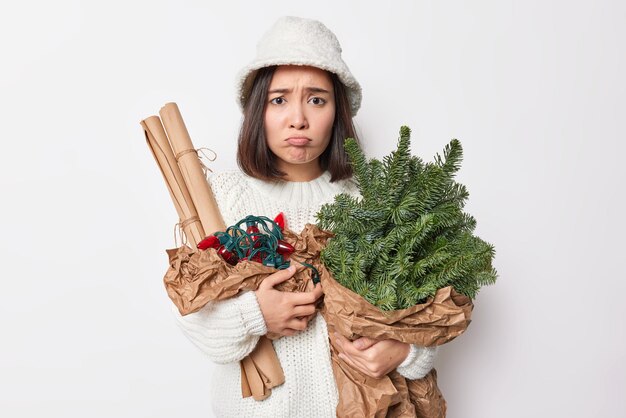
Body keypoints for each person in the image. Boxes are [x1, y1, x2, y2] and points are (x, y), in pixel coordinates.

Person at [172, 16, 437, 417]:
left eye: (316, 99)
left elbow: (427, 310)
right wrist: (255, 315)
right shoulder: (219, 200)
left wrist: (405, 351)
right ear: (259, 110)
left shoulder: (374, 200)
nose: (299, 118)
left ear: (337, 112)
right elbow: (194, 321)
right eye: (280, 99)